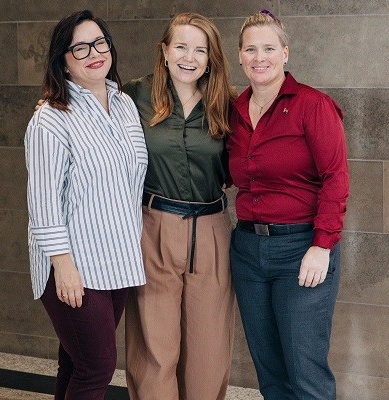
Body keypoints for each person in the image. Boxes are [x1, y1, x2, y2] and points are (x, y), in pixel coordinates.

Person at [24, 10, 147, 400]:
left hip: (116, 259)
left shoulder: (124, 103)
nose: (94, 53)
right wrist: (63, 266)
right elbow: (42, 202)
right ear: (63, 59)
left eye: (100, 42)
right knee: (97, 368)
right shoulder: (51, 117)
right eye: (80, 47)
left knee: (76, 363)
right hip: (73, 264)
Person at [227, 10, 349, 400]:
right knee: (270, 371)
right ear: (240, 57)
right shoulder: (233, 110)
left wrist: (322, 244)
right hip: (247, 250)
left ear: (285, 53)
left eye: (268, 48)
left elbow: (336, 178)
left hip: (301, 249)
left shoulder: (313, 105)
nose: (259, 57)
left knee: (305, 370)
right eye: (250, 49)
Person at [122, 13, 236, 400]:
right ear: (165, 51)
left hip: (211, 229)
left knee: (209, 353)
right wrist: (53, 103)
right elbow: (85, 114)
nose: (190, 57)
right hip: (153, 226)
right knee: (155, 351)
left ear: (210, 57)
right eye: (181, 46)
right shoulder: (131, 95)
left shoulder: (227, 104)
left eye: (200, 50)